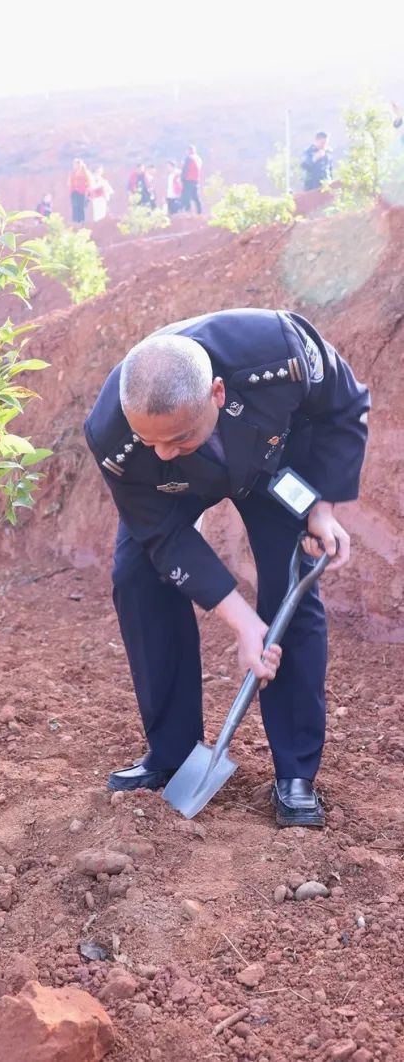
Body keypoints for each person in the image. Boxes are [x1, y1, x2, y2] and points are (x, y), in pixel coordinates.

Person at [84, 309, 369, 828]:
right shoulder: (114, 437)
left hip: (269, 460)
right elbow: (163, 537)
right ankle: (170, 755)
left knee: (291, 591)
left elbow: (345, 407)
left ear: (217, 393)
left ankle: (295, 773)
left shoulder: (279, 354)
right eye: (153, 441)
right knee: (137, 578)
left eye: (178, 437)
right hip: (168, 492)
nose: (164, 449)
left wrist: (323, 508)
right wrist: (242, 623)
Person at [180, 145, 203, 213]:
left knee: (186, 196)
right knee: (195, 196)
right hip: (196, 180)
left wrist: (182, 178)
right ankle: (199, 211)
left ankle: (187, 210)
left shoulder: (189, 158)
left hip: (188, 180)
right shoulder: (198, 158)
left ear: (189, 150)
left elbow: (185, 169)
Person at [68, 159, 91, 225]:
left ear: (79, 164)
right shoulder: (72, 173)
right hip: (73, 191)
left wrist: (87, 191)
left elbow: (88, 182)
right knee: (74, 206)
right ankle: (75, 221)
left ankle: (81, 222)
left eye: (76, 164)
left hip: (82, 191)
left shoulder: (85, 172)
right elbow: (69, 182)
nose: (74, 166)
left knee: (80, 207)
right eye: (74, 164)